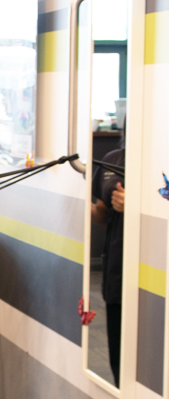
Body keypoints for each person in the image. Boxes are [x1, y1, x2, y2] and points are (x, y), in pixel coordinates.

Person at [91, 147, 125, 386]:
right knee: (119, 352)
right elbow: (101, 213)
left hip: (153, 270)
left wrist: (137, 207)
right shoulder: (113, 159)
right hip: (116, 265)